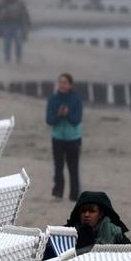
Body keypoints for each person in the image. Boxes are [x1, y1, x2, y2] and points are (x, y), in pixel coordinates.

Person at [46, 73, 83, 201]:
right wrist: (58, 115)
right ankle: (58, 193)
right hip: (57, 138)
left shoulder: (76, 99)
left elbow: (76, 120)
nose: (62, 85)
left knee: (73, 168)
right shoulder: (53, 99)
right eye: (60, 82)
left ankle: (74, 195)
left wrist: (67, 114)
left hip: (73, 138)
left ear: (70, 85)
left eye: (65, 82)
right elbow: (49, 121)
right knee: (58, 167)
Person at [65, 191, 131, 253]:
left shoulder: (115, 234)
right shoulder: (67, 234)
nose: (86, 215)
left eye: (92, 211)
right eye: (83, 211)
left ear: (100, 214)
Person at [0, 0, 32, 64]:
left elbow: (25, 14)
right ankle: (7, 59)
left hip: (17, 24)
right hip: (6, 24)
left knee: (18, 42)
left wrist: (28, 24)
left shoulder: (20, 2)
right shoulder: (2, 2)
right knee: (7, 42)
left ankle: (18, 58)